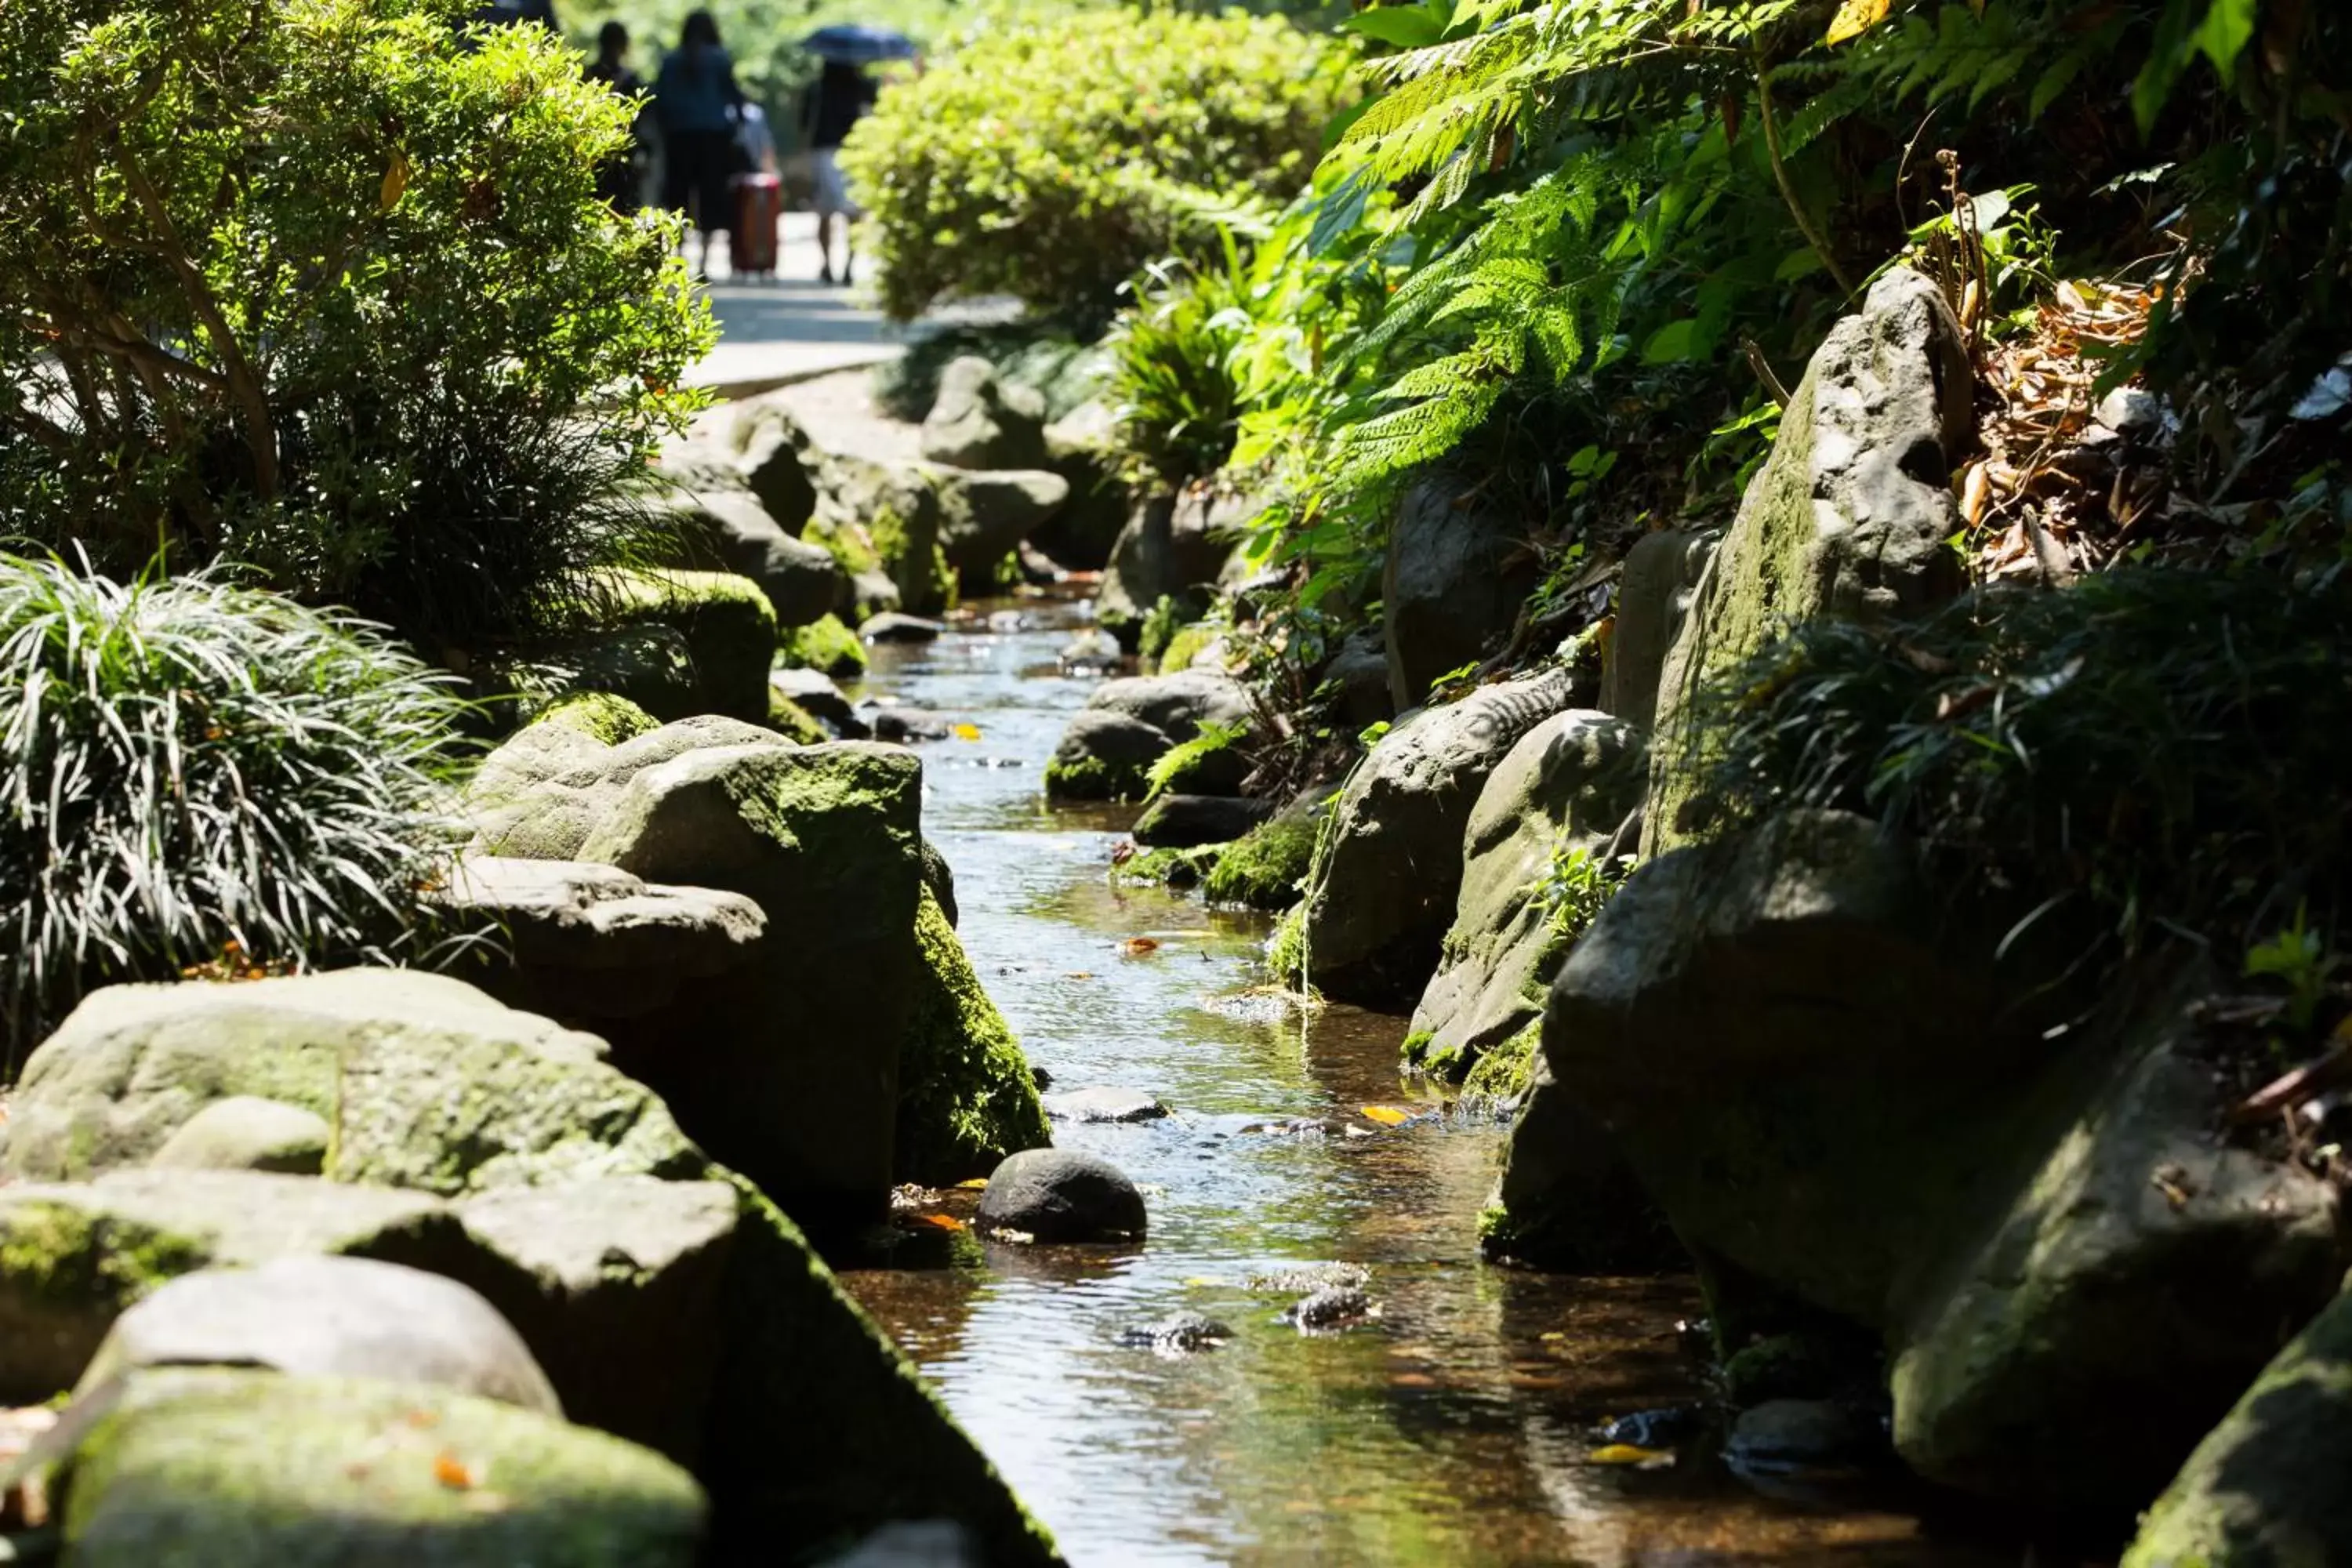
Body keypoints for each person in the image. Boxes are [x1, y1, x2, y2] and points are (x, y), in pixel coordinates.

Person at [653, 10, 747, 278]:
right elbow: (734, 97)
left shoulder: (671, 61)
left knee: (678, 197)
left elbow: (659, 101)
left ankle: (680, 257)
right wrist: (738, 128)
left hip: (679, 135)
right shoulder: (719, 59)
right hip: (714, 136)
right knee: (710, 198)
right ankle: (704, 264)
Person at [800, 60, 876, 286]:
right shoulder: (865, 87)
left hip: (824, 151)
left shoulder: (816, 88)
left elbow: (804, 123)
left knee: (825, 212)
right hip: (856, 151)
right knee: (854, 213)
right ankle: (849, 265)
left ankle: (827, 265)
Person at [584, 21, 648, 211]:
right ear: (624, 45)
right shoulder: (631, 80)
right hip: (624, 155)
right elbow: (642, 123)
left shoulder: (586, 75)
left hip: (591, 153)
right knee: (624, 210)